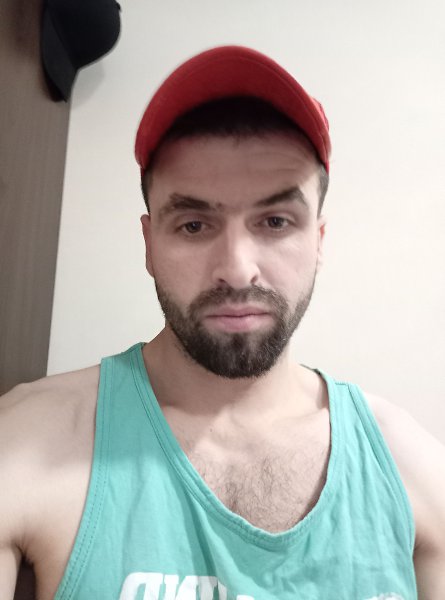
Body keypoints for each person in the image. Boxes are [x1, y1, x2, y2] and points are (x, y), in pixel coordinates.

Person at [0, 45, 444, 600]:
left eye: (275, 221)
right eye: (193, 225)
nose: (236, 269)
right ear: (148, 244)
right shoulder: (27, 444)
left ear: (318, 241)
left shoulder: (413, 471)